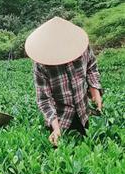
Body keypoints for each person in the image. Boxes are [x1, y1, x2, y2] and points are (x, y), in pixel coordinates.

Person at [25, 17, 103, 147]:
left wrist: (95, 93)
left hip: (83, 112)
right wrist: (56, 128)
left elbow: (91, 67)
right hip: (60, 118)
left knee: (87, 149)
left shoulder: (82, 49)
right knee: (62, 153)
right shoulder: (41, 65)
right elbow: (44, 99)